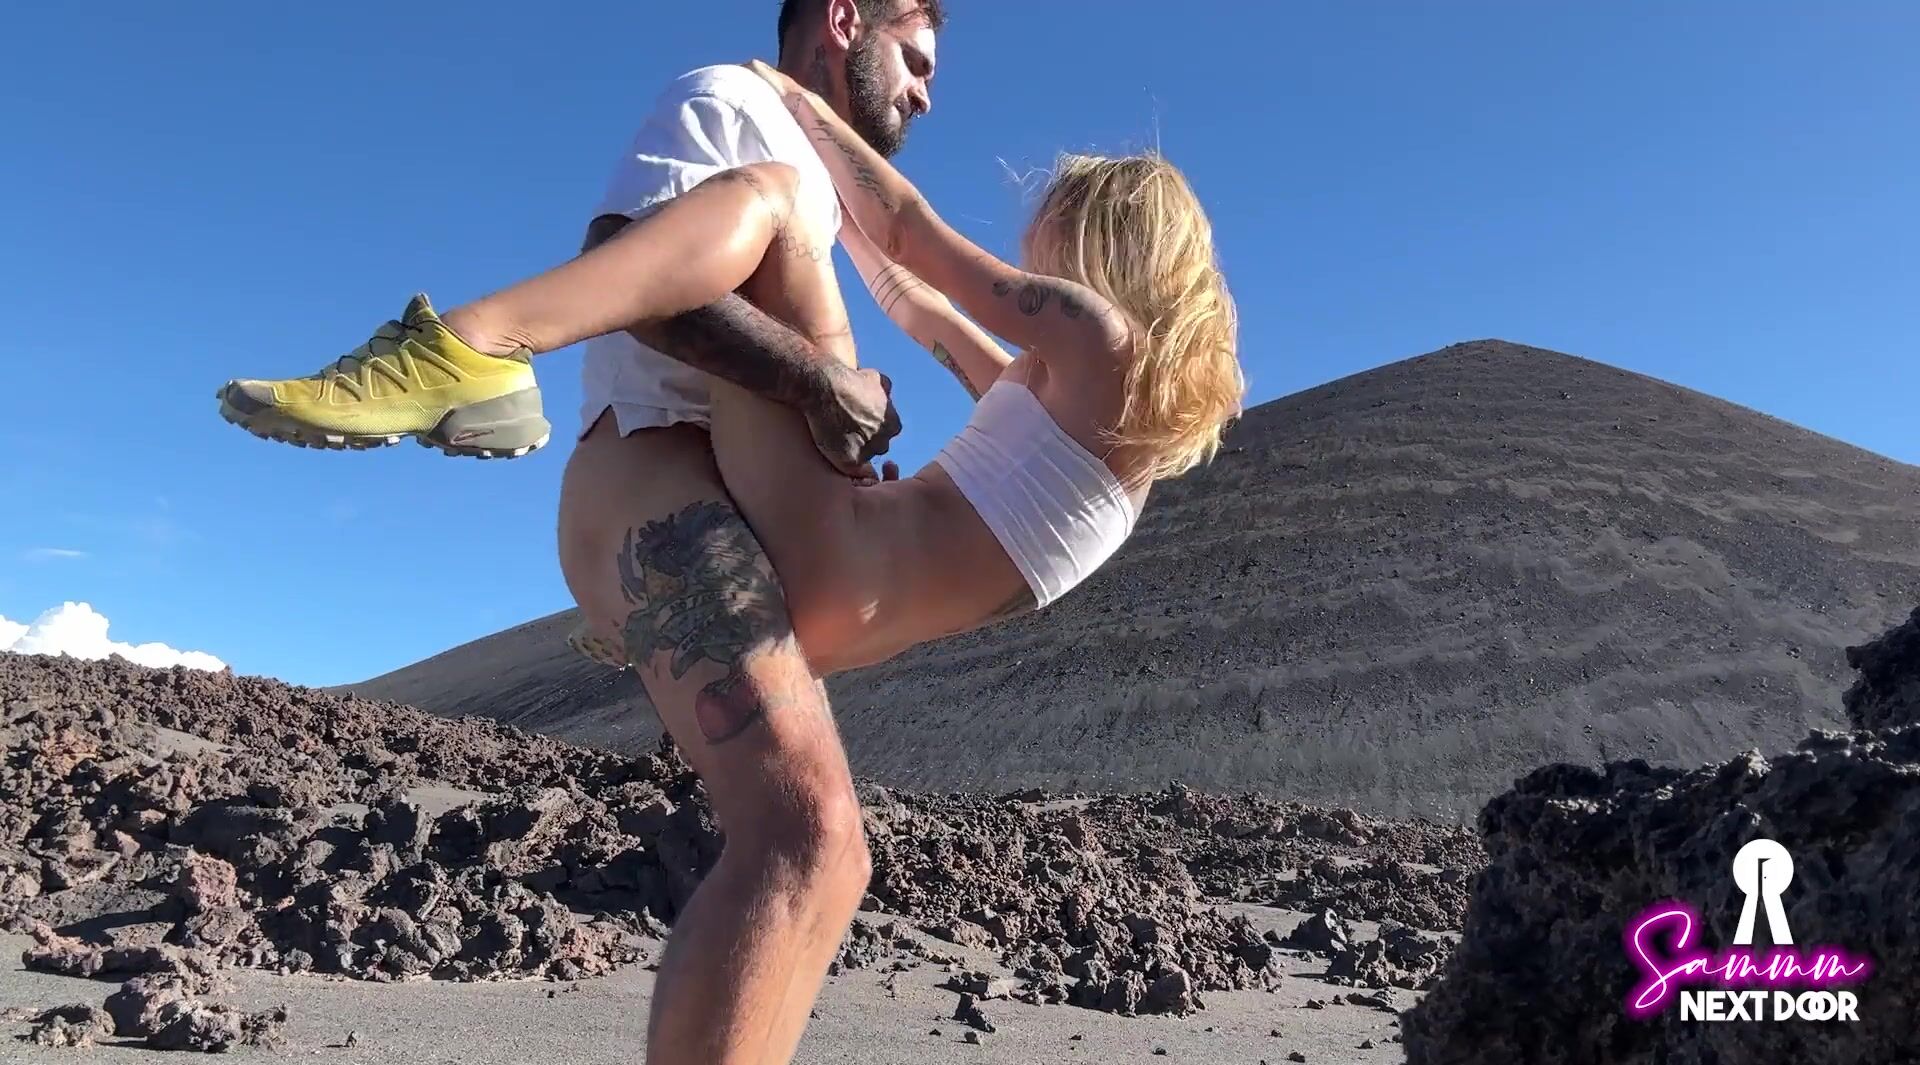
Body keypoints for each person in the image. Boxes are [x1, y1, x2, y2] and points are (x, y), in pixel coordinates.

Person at [217, 5, 947, 1065]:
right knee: (804, 831)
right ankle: (467, 347)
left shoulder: (820, 179)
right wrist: (817, 382)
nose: (926, 92)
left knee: (834, 861)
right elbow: (630, 275)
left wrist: (837, 418)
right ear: (843, 20)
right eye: (916, 60)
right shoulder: (732, 100)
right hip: (655, 486)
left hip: (734, 504)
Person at [564, 60, 1244, 682]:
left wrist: (803, 106)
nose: (1028, 254)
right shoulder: (1089, 426)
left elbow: (910, 232)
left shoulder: (1100, 337)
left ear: (1099, 239)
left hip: (824, 560)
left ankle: (542, 311)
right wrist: (842, 217)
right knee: (786, 359)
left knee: (771, 213)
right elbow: (919, 308)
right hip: (834, 630)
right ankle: (641, 606)